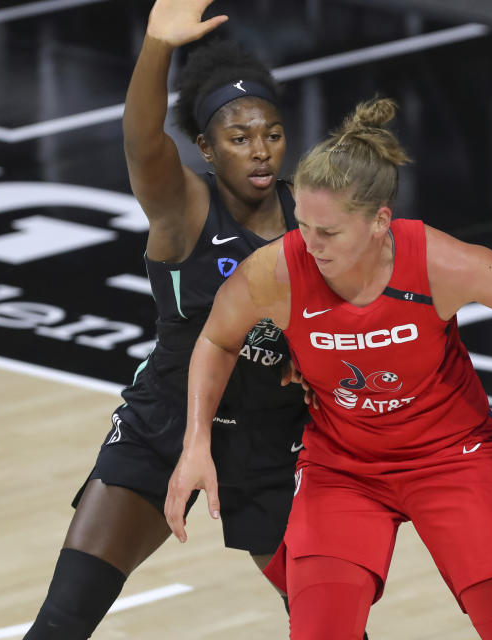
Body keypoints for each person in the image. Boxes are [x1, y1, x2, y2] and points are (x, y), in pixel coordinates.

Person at [164, 97, 492, 639]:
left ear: (380, 222)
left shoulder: (443, 264)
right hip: (343, 467)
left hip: (455, 459)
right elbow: (216, 339)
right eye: (303, 224)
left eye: (328, 232)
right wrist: (196, 443)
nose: (310, 243)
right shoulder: (277, 272)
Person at [23, 1, 310, 637]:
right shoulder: (185, 208)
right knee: (61, 622)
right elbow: (141, 141)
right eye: (239, 138)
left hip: (275, 446)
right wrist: (157, 46)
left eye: (272, 134)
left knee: (333, 628)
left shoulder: (314, 221)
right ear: (206, 147)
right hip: (166, 427)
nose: (260, 152)